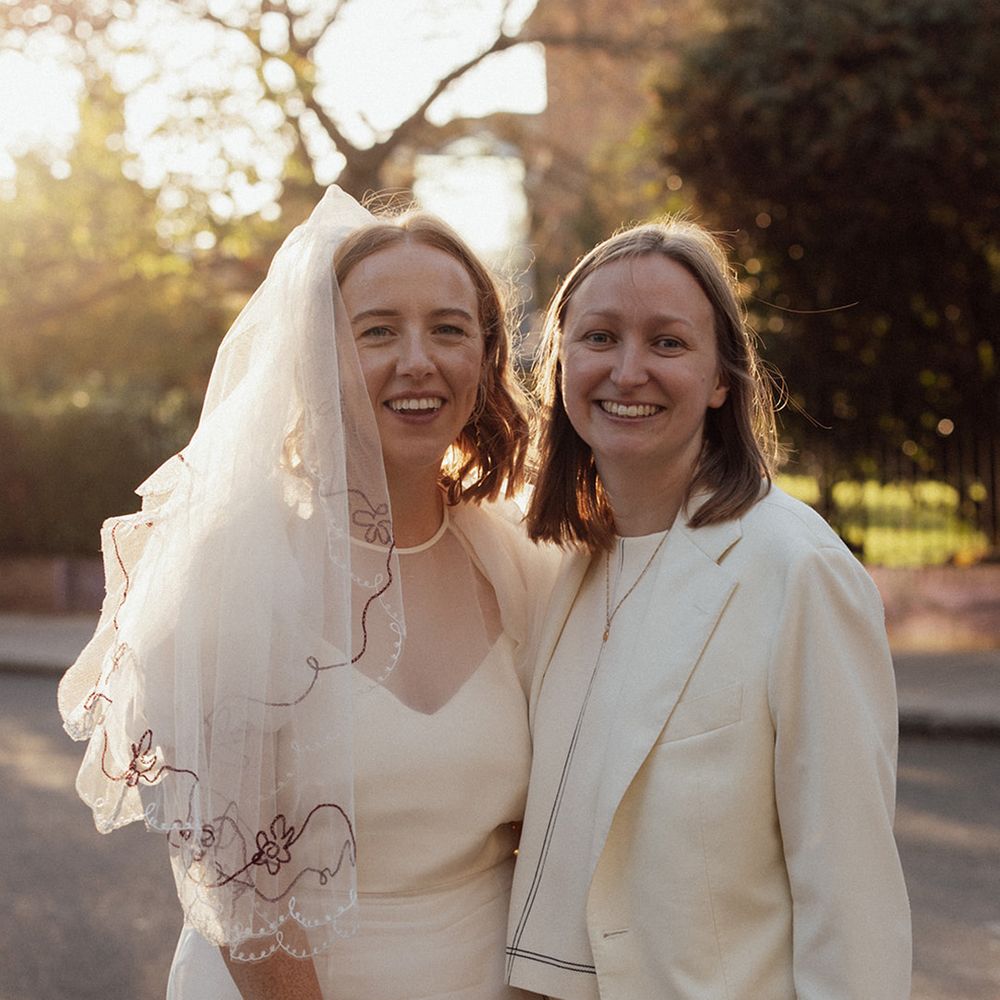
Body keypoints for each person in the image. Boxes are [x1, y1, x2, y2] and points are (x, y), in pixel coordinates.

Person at [59, 187, 553, 999]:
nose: (417, 359)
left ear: (485, 358)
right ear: (316, 357)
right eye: (378, 331)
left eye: (449, 329)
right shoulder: (235, 571)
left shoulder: (522, 561)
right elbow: (241, 902)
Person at [505, 219, 912, 998]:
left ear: (722, 378)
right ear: (560, 364)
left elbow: (850, 886)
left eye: (667, 343)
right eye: (599, 337)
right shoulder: (559, 565)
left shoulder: (798, 570)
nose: (628, 371)